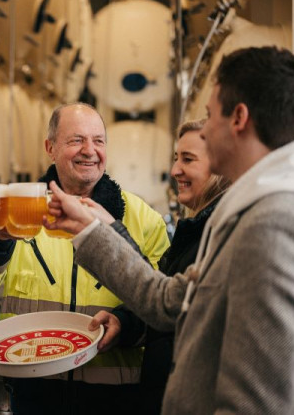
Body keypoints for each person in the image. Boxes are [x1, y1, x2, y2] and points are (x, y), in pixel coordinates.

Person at [46, 46, 294, 414]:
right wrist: (91, 230)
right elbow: (169, 303)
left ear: (239, 118)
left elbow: (258, 401)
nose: (205, 128)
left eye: (211, 114)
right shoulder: (251, 212)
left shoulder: (276, 226)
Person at [0, 102, 170, 414]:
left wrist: (125, 324)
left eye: (98, 141)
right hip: (32, 389)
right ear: (50, 148)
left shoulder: (142, 218)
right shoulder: (22, 208)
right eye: (76, 140)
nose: (89, 150)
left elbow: (164, 311)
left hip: (115, 395)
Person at [89, 119, 230, 414]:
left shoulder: (220, 238)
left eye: (188, 159)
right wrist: (124, 323)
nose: (175, 170)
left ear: (221, 163)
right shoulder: (193, 233)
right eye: (176, 158)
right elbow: (163, 300)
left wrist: (105, 233)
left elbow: (167, 307)